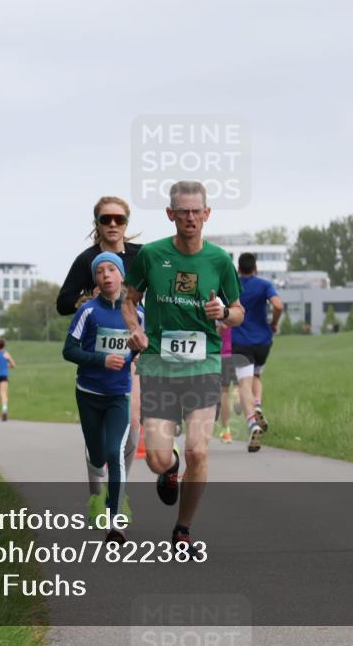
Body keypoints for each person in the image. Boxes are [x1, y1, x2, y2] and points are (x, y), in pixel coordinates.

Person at [123, 180, 243, 555]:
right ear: (170, 214)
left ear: (207, 214)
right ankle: (170, 469)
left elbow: (238, 312)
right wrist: (135, 329)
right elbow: (129, 300)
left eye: (197, 211)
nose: (190, 217)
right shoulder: (151, 256)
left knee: (198, 451)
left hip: (203, 366)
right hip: (158, 366)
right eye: (183, 211)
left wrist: (223, 311)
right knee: (159, 461)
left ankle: (182, 529)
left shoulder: (220, 261)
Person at [56, 196, 145, 504]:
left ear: (126, 224)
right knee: (97, 445)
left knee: (133, 425)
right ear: (97, 223)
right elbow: (63, 302)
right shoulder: (87, 260)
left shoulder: (140, 256)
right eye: (106, 219)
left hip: (132, 348)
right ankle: (97, 492)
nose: (112, 224)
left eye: (118, 219)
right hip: (96, 356)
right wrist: (88, 299)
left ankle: (119, 493)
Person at [63, 253, 143, 543]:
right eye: (100, 272)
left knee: (115, 452)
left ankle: (115, 520)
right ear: (96, 280)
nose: (106, 275)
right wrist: (100, 360)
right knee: (98, 457)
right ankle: (92, 456)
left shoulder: (136, 313)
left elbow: (141, 345)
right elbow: (69, 351)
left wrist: (136, 351)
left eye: (112, 269)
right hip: (89, 393)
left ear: (122, 277)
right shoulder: (88, 312)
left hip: (119, 395)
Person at [232, 252, 284, 452]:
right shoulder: (264, 284)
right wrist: (274, 323)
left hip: (240, 341)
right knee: (257, 375)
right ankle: (258, 404)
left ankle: (253, 422)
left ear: (238, 268)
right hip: (263, 340)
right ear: (256, 268)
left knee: (244, 384)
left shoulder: (233, 284)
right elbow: (278, 305)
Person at [215, 321, 237, 443]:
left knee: (224, 392)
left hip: (221, 354)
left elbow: (220, 329)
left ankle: (226, 430)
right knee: (228, 392)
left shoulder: (216, 305)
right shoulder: (236, 308)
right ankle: (226, 430)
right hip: (235, 353)